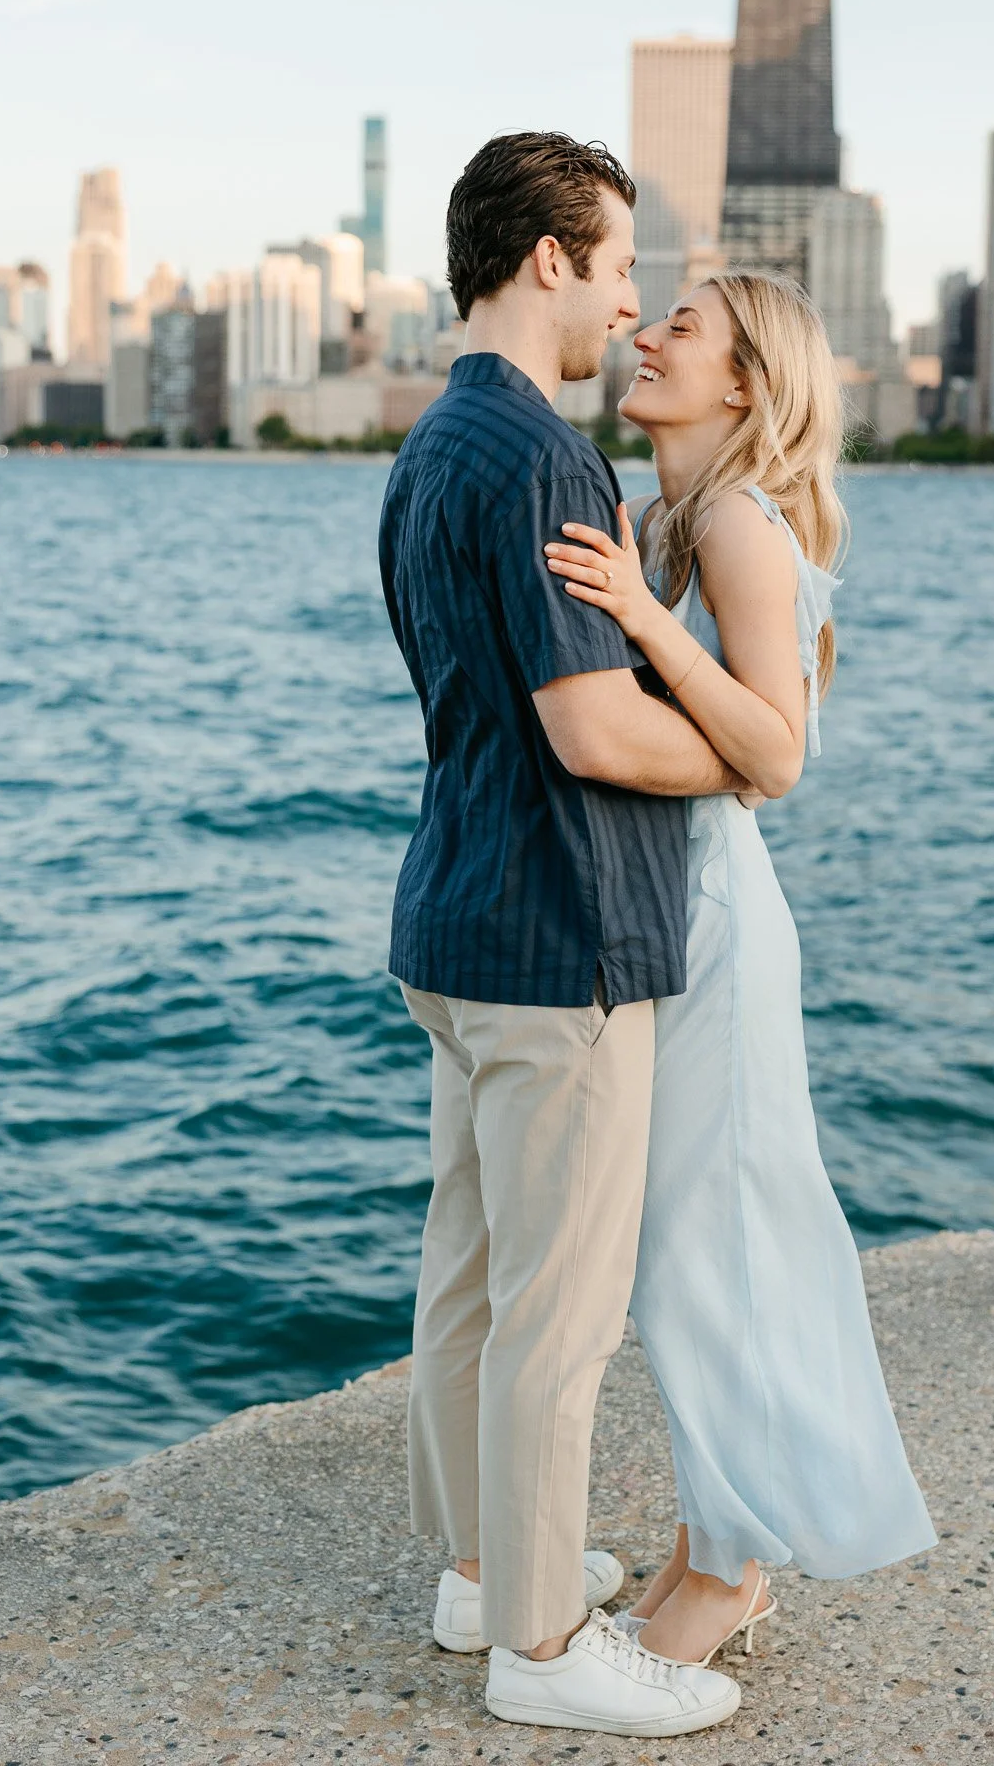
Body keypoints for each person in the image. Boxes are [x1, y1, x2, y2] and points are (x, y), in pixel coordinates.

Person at [377, 132, 745, 1738]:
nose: (625, 303)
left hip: (453, 916)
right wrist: (738, 751)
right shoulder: (540, 455)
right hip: (557, 934)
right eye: (615, 268)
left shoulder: (430, 443)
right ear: (547, 261)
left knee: (467, 1276)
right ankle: (538, 1645)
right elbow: (596, 731)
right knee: (559, 1306)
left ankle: (480, 1568)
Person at [542, 268, 938, 1665]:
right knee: (685, 1244)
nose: (648, 336)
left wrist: (645, 625)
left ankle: (735, 1559)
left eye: (684, 327)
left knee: (714, 1245)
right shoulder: (667, 517)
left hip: (715, 915)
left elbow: (778, 754)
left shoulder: (739, 527)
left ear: (746, 384)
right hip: (674, 910)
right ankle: (717, 1528)